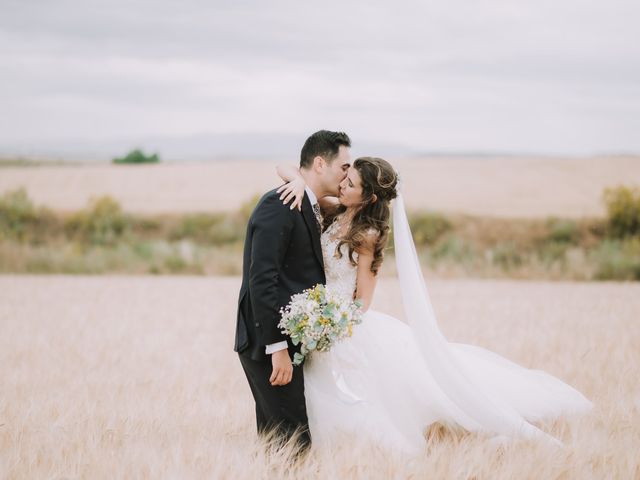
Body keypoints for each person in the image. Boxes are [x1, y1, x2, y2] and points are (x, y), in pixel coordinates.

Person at [276, 156, 593, 454]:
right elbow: (284, 167)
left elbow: (363, 300)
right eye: (346, 178)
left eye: (351, 183)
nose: (342, 184)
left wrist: (333, 326)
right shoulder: (333, 207)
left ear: (369, 197)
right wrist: (299, 183)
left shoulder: (368, 234)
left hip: (343, 325)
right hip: (320, 315)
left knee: (395, 395)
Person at [234, 130, 351, 453]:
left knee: (283, 446)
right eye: (343, 167)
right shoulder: (281, 203)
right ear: (319, 164)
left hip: (290, 341)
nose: (347, 175)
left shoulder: (310, 203)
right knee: (293, 446)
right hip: (268, 343)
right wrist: (278, 347)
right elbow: (262, 280)